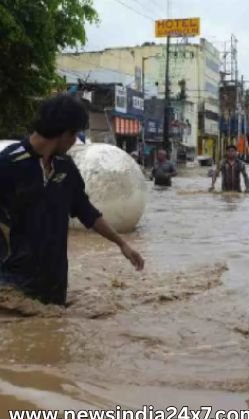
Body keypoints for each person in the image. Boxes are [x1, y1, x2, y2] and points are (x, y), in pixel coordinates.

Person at [0, 94, 145, 306]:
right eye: (75, 134)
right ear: (65, 133)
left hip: (54, 288)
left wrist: (122, 243)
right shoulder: (8, 165)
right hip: (11, 286)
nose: (75, 141)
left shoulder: (65, 168)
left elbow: (86, 211)